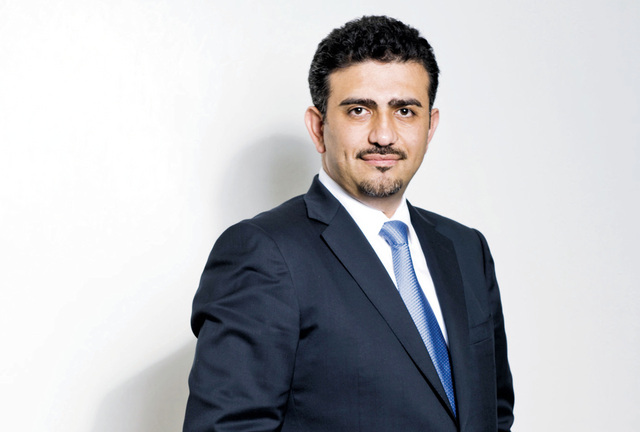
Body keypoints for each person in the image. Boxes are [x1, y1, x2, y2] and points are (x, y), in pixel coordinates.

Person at [184, 15, 514, 432]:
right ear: (318, 127)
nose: (384, 135)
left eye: (405, 111)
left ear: (430, 126)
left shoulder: (466, 249)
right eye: (359, 110)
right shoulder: (264, 253)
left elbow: (495, 413)